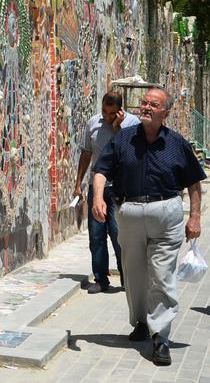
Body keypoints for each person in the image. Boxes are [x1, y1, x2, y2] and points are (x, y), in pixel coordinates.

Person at [92, 86, 206, 367]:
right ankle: (141, 322)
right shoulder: (123, 139)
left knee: (161, 274)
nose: (146, 107)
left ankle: (161, 337)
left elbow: (194, 182)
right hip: (129, 211)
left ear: (165, 113)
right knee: (133, 274)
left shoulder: (177, 143)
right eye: (144, 103)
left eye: (153, 105)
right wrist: (97, 198)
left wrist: (195, 217)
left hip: (166, 213)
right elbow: (101, 171)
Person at [74, 91, 140, 293]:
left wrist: (117, 128)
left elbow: (132, 151)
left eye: (111, 113)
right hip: (98, 188)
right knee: (96, 235)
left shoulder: (132, 124)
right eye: (104, 110)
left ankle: (128, 278)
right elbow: (86, 153)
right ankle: (101, 278)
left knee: (119, 234)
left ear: (120, 110)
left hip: (121, 188)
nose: (106, 115)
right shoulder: (93, 123)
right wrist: (79, 183)